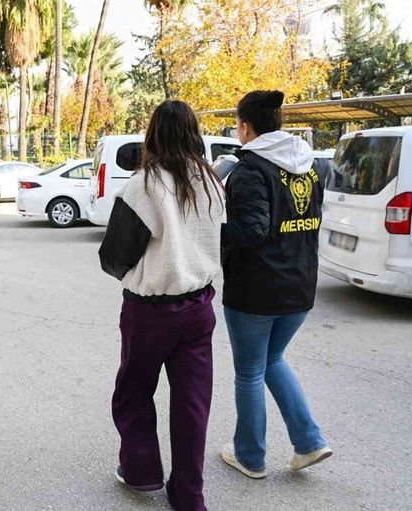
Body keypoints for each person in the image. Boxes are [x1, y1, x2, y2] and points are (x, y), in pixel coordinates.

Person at [99, 100, 224, 511]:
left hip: (150, 311)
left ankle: (141, 472)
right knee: (192, 405)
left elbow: (114, 255)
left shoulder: (146, 184)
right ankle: (189, 496)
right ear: (194, 133)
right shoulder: (211, 181)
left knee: (133, 392)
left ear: (153, 133)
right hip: (199, 308)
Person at [220, 90, 331, 479]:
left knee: (251, 371)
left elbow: (252, 231)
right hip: (300, 285)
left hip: (256, 290)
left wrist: (213, 229)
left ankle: (250, 457)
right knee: (272, 360)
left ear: (245, 126)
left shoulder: (250, 170)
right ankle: (309, 441)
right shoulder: (310, 166)